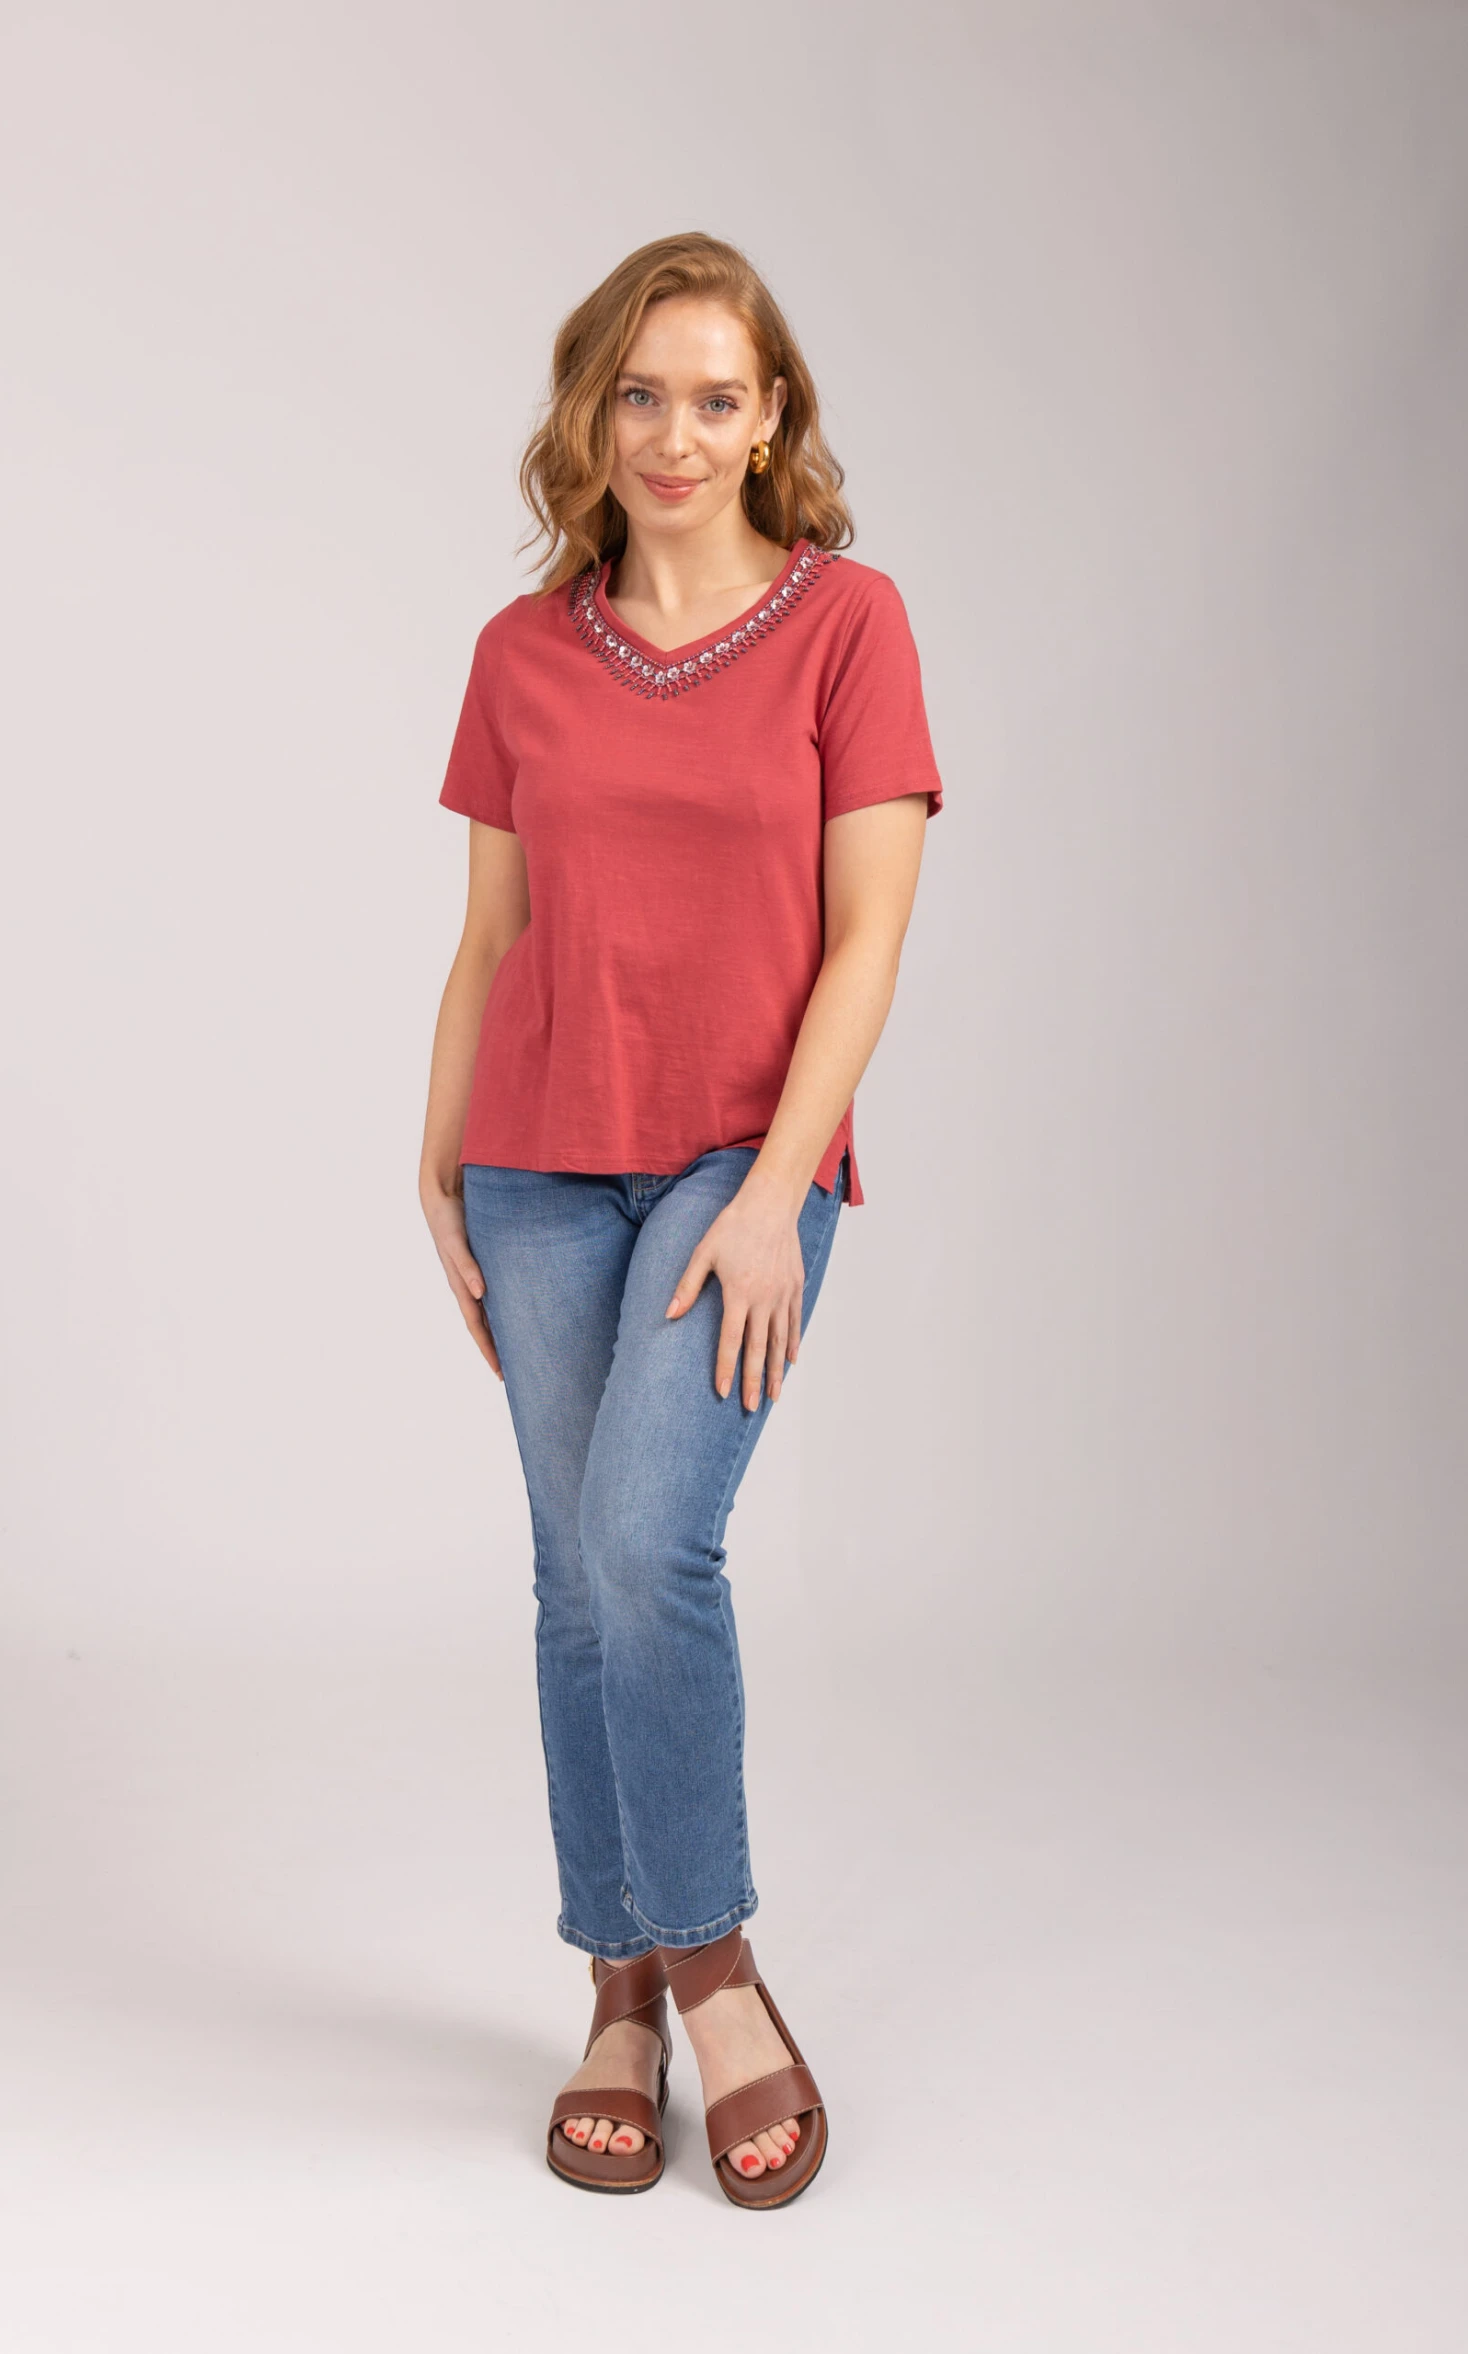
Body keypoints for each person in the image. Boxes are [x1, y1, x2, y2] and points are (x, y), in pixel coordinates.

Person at [419, 231, 943, 2208]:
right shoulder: (521, 652)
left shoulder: (849, 625)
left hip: (742, 1150)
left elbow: (870, 934)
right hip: (537, 1160)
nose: (675, 434)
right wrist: (437, 1150)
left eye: (717, 397)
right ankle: (615, 1987)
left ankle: (712, 1969)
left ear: (772, 416)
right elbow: (492, 934)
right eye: (640, 394)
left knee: (650, 1539)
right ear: (592, 410)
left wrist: (781, 1190)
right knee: (576, 1578)